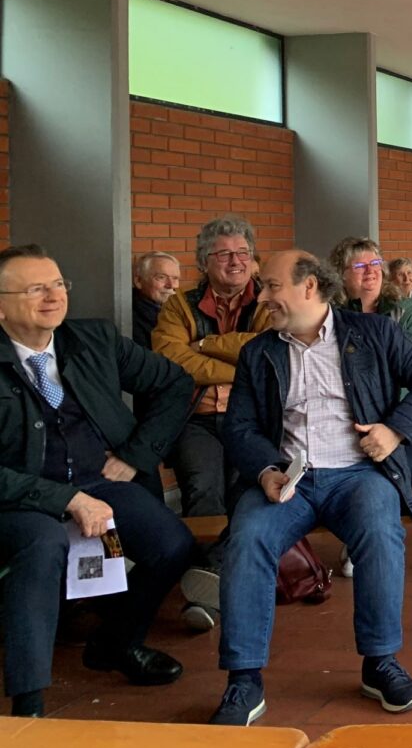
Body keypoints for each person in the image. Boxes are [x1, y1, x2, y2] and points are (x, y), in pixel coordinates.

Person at [210, 249, 412, 726]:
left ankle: (380, 662)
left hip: (359, 474)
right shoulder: (260, 352)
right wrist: (264, 471)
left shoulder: (373, 332)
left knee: (380, 531)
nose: (262, 297)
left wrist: (395, 430)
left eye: (272, 286)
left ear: (309, 286)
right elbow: (239, 428)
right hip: (289, 479)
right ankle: (243, 678)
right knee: (247, 536)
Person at [0, 244, 196, 719]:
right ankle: (29, 702)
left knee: (172, 545)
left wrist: (135, 455)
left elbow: (175, 383)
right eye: (36, 289)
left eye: (58, 284)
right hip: (20, 496)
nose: (54, 297)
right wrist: (65, 498)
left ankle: (115, 643)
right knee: (43, 544)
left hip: (99, 480)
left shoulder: (94, 339)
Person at [153, 214, 271, 632]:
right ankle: (215, 580)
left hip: (252, 419)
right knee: (203, 490)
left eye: (243, 253)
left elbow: (268, 349)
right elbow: (171, 359)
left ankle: (212, 585)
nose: (235, 261)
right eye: (224, 254)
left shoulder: (268, 301)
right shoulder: (179, 305)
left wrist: (204, 344)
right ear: (204, 262)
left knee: (246, 493)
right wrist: (239, 369)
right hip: (196, 419)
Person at [330, 238, 412, 497]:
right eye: (360, 266)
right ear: (341, 275)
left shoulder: (406, 310)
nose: (371, 271)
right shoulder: (332, 315)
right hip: (349, 414)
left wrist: (394, 420)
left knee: (403, 472)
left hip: (402, 411)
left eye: (376, 263)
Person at [131, 251, 180, 348]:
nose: (171, 285)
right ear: (138, 281)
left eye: (175, 278)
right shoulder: (130, 320)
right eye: (161, 277)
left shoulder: (179, 309)